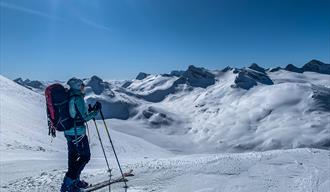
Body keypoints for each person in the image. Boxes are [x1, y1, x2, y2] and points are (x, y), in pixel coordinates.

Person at [61, 78, 101, 192]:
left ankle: (74, 182)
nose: (83, 87)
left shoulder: (69, 96)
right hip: (77, 132)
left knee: (73, 157)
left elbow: (76, 114)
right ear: (77, 86)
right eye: (82, 85)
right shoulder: (77, 98)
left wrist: (89, 112)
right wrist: (96, 111)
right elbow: (84, 117)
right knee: (85, 156)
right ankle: (68, 183)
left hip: (69, 132)